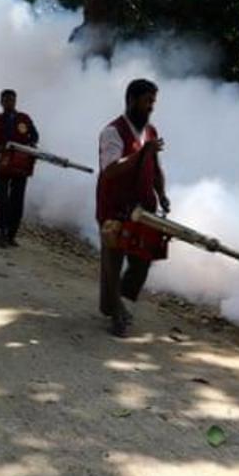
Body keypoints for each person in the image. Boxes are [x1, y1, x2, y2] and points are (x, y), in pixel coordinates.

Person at [96, 78, 169, 338]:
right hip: (114, 209)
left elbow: (155, 167)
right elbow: (111, 169)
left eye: (153, 102)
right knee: (113, 263)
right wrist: (142, 153)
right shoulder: (112, 132)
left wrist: (162, 193)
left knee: (142, 261)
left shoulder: (150, 131)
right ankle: (117, 314)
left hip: (144, 208)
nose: (151, 107)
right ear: (131, 100)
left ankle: (116, 303)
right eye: (147, 101)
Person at [0, 89, 40, 247]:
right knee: (3, 200)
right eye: (6, 100)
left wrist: (31, 145)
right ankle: (2, 232)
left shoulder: (24, 119)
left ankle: (12, 234)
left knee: (17, 201)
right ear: (1, 102)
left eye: (12, 100)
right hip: (2, 165)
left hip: (21, 166)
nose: (9, 103)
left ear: (15, 101)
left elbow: (34, 136)